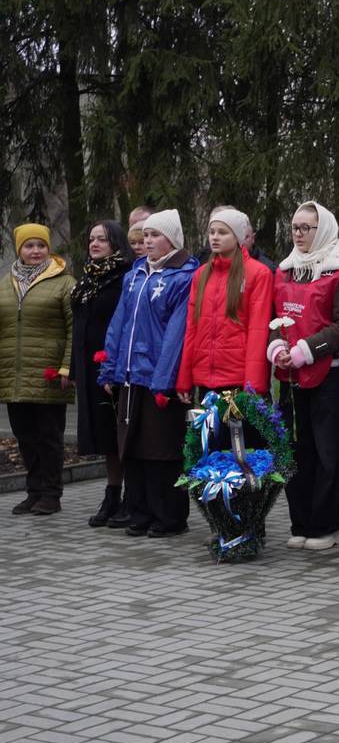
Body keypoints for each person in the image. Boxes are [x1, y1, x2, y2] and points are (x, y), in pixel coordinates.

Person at [268, 201, 339, 551]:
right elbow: (274, 318)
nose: (299, 234)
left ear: (322, 230)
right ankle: (301, 522)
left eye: (306, 228)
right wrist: (277, 347)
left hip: (328, 375)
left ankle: (325, 526)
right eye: (295, 227)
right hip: (290, 376)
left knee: (327, 453)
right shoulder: (285, 269)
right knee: (295, 451)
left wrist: (306, 349)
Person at [98, 209, 198, 535]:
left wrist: (163, 380)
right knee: (134, 447)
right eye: (145, 236)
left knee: (161, 450)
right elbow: (119, 324)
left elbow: (177, 334)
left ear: (173, 239)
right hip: (130, 375)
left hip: (159, 379)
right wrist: (109, 368)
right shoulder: (136, 274)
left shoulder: (184, 276)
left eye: (156, 235)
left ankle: (169, 517)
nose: (148, 241)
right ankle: (139, 512)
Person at [0, 223, 75, 516]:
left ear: (48, 248)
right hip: (14, 376)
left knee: (49, 437)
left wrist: (67, 366)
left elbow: (74, 329)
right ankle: (33, 492)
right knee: (25, 437)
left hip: (48, 375)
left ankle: (51, 494)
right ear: (19, 249)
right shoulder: (5, 284)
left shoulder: (64, 283)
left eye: (41, 245)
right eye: (29, 246)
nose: (35, 251)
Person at [70, 220, 134, 527]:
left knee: (117, 433)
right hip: (88, 365)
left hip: (112, 366)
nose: (94, 244)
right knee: (103, 436)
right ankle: (111, 495)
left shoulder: (124, 276)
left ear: (116, 244)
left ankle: (129, 498)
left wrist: (115, 367)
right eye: (92, 239)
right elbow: (78, 324)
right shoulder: (87, 278)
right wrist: (73, 367)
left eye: (102, 240)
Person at [177, 208, 274, 401]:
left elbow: (258, 332)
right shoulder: (201, 274)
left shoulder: (258, 273)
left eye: (222, 232)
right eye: (212, 232)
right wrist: (184, 378)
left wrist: (253, 386)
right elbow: (192, 328)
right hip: (205, 379)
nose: (215, 237)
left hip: (238, 379)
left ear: (237, 237)